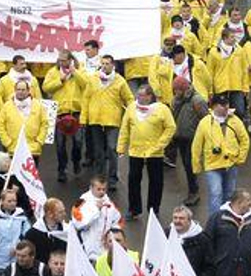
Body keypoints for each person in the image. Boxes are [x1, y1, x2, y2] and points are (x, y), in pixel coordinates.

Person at [117, 85, 177, 219]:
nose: (138, 98)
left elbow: (171, 127)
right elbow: (125, 128)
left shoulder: (162, 109)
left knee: (156, 181)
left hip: (154, 152)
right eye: (138, 95)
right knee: (133, 180)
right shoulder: (131, 108)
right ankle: (134, 209)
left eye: (141, 95)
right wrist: (121, 147)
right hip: (135, 151)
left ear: (149, 96)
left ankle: (154, 209)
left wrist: (160, 144)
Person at [192, 94, 250, 215]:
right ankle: (215, 221)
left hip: (231, 164)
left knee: (229, 194)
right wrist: (196, 165)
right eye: (222, 105)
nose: (225, 107)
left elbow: (245, 140)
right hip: (212, 165)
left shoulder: (234, 120)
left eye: (227, 104)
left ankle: (227, 218)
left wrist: (241, 158)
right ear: (213, 106)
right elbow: (197, 145)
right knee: (216, 193)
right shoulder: (205, 123)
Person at [83, 54, 133, 187]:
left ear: (113, 65)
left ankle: (113, 178)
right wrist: (84, 117)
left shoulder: (120, 81)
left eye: (107, 64)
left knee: (112, 148)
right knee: (98, 151)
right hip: (95, 119)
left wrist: (132, 113)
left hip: (112, 120)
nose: (104, 66)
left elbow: (129, 98)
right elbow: (86, 98)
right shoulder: (93, 79)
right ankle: (100, 178)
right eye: (103, 64)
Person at [205, 189, 251, 276]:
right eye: (248, 200)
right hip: (224, 273)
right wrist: (217, 260)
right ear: (239, 202)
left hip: (248, 274)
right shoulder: (217, 218)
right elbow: (207, 241)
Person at [43, 50, 87, 182]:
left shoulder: (79, 69)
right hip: (59, 113)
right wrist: (60, 80)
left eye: (64, 60)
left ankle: (76, 161)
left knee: (78, 142)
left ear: (70, 59)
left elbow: (86, 84)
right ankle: (62, 169)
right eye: (60, 60)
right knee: (60, 145)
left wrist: (75, 73)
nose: (61, 62)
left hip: (76, 112)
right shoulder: (53, 72)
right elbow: (46, 88)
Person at [170, 75, 209, 206]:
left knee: (190, 164)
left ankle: (194, 191)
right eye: (174, 90)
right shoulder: (176, 100)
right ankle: (192, 190)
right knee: (186, 165)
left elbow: (206, 119)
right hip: (180, 138)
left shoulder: (197, 100)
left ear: (184, 88)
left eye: (178, 90)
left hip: (193, 138)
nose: (176, 92)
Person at [71, 175, 123, 262]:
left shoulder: (109, 203)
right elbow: (78, 224)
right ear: (91, 188)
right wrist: (96, 210)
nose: (101, 192)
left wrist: (111, 236)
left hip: (104, 249)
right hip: (88, 248)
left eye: (104, 189)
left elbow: (118, 221)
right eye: (98, 189)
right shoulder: (82, 202)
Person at [0, 188, 31, 274]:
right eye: (9, 201)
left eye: (14, 201)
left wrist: (19, 247)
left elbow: (28, 236)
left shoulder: (22, 217)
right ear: (2, 202)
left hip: (17, 261)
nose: (13, 203)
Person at [169, 205, 215, 276]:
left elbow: (210, 267)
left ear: (189, 221)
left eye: (181, 218)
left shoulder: (202, 239)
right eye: (175, 218)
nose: (177, 221)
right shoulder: (166, 234)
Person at [23, 197, 67, 263]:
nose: (64, 214)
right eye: (60, 212)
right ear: (50, 214)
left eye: (64, 211)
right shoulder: (33, 234)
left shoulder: (67, 231)